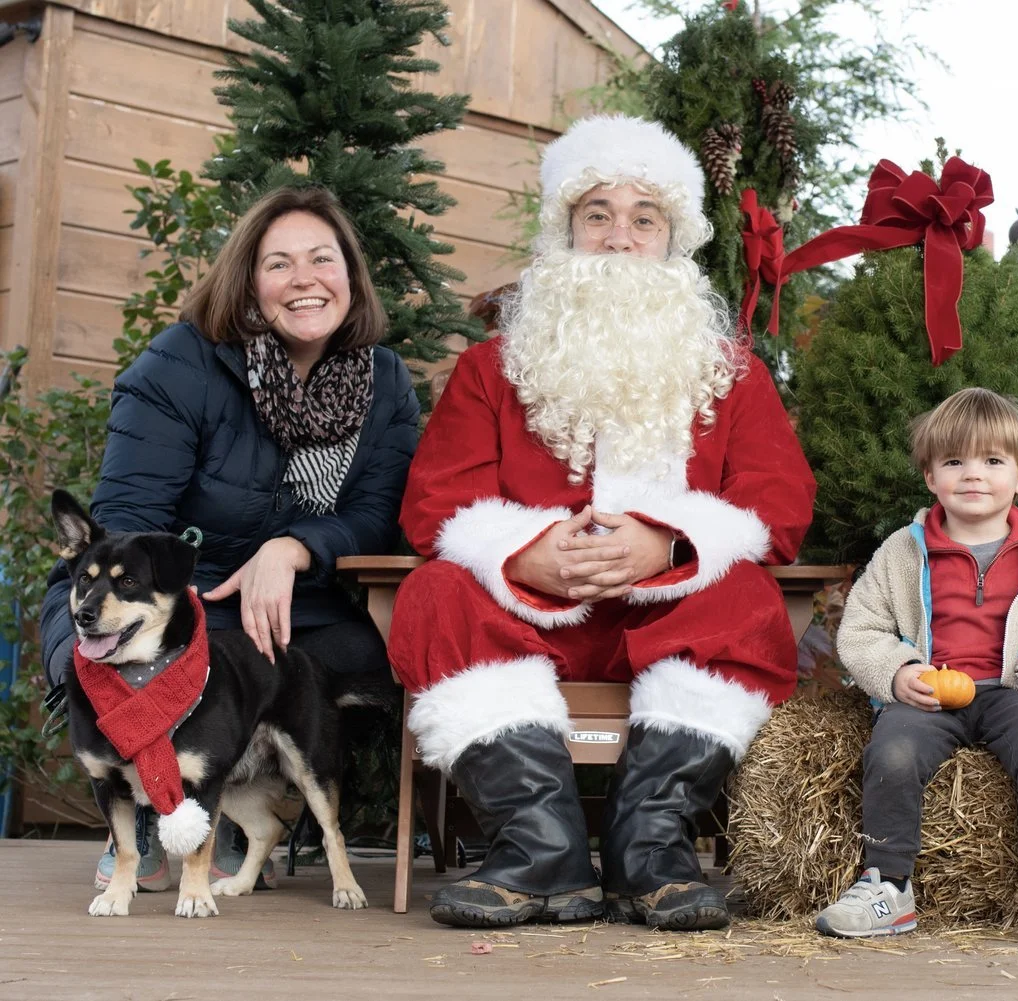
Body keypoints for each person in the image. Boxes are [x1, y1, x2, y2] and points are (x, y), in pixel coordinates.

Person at [387, 115, 817, 932]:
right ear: (566, 231)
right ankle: (538, 849)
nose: (620, 238)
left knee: (750, 600)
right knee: (435, 593)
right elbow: (436, 503)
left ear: (671, 241)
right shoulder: (491, 367)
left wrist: (668, 541)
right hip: (529, 622)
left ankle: (648, 852)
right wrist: (526, 553)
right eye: (598, 214)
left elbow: (779, 502)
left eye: (644, 218)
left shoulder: (732, 374)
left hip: (670, 619)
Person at [39, 185, 419, 896]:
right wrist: (182, 595)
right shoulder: (183, 364)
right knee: (178, 653)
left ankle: (248, 808)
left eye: (322, 259)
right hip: (179, 591)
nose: (305, 279)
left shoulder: (384, 381)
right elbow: (125, 516)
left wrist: (293, 547)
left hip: (297, 599)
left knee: (372, 652)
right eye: (279, 264)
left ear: (350, 275)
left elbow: (375, 512)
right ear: (248, 281)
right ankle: (157, 804)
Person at [819, 388, 1018, 945]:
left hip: (1013, 693)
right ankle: (886, 884)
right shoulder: (901, 554)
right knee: (892, 750)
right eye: (955, 462)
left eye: (993, 462)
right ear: (931, 477)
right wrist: (899, 673)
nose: (973, 475)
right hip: (928, 693)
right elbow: (861, 629)